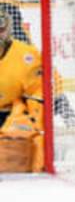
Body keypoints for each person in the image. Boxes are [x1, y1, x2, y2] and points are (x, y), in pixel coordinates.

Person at [0, 9, 44, 172]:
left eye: (1, 29)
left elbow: (37, 94)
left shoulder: (28, 55)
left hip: (12, 114)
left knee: (18, 148)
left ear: (9, 28)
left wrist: (33, 125)